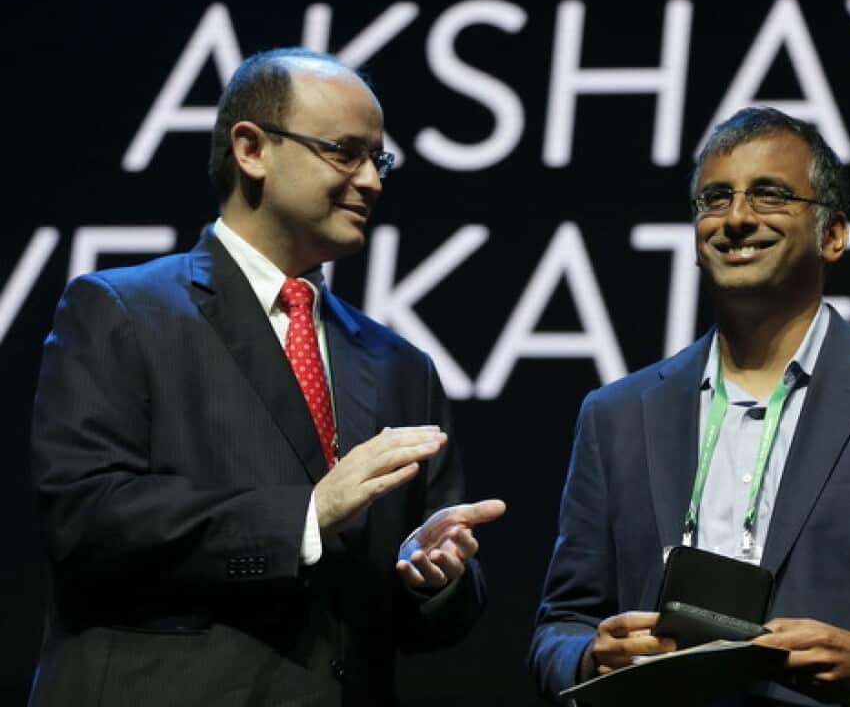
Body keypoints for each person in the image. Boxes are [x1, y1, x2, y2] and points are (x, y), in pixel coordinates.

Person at [28, 48, 505, 706]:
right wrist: (303, 517)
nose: (371, 181)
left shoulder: (400, 367)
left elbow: (422, 617)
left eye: (380, 159)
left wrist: (433, 578)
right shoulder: (122, 310)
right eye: (345, 151)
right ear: (251, 149)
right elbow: (86, 523)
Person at [530, 107, 850, 706]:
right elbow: (558, 627)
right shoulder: (616, 414)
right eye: (715, 199)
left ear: (832, 235)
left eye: (770, 196)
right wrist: (589, 657)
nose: (737, 219)